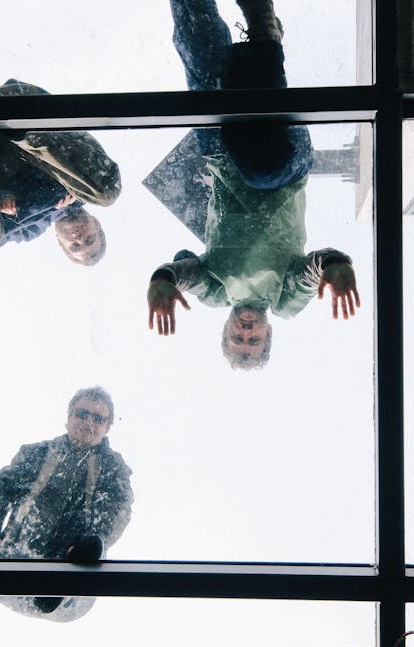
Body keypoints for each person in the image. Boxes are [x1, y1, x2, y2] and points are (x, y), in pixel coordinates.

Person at [147, 0, 360, 370]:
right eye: (254, 340)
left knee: (197, 45)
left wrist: (164, 279)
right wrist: (334, 265)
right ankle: (264, 34)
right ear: (268, 333)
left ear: (226, 329)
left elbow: (188, 276)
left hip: (220, 156)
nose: (246, 332)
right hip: (285, 167)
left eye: (237, 339)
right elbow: (310, 273)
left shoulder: (215, 293)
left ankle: (248, 42)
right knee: (260, 169)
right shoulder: (284, 301)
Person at [0, 386, 133, 622]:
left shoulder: (112, 468)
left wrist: (85, 545)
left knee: (94, 546)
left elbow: (117, 510)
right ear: (69, 417)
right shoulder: (38, 453)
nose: (88, 422)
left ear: (107, 427)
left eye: (98, 418)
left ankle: (59, 580)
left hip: (68, 580)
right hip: (18, 555)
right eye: (82, 414)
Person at [0, 79, 121, 265]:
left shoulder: (31, 230)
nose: (79, 238)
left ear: (60, 242)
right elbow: (69, 181)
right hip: (21, 106)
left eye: (75, 246)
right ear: (96, 224)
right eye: (89, 239)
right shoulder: (84, 186)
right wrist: (44, 201)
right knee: (106, 193)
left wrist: (8, 208)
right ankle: (21, 124)